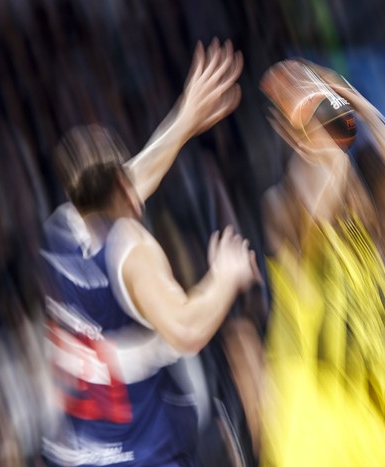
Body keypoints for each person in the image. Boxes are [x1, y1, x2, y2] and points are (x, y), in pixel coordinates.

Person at [41, 39, 260, 467]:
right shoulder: (132, 251)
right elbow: (186, 327)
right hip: (141, 455)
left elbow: (131, 176)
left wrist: (184, 118)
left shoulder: (62, 229)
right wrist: (225, 276)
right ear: (123, 189)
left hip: (80, 453)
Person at [257, 62, 385, 466]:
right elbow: (315, 208)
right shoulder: (283, 211)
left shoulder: (377, 250)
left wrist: (364, 111)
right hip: (311, 418)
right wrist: (322, 125)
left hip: (372, 425)